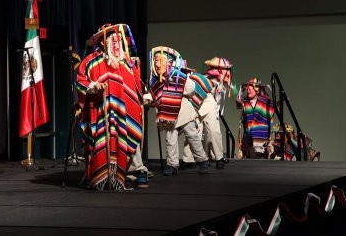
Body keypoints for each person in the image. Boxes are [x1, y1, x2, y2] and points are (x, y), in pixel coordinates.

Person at [75, 23, 146, 190]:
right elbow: (81, 82)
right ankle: (102, 175)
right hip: (100, 112)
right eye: (112, 39)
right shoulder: (91, 62)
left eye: (118, 40)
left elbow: (135, 87)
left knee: (128, 131)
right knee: (101, 138)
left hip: (125, 113)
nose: (116, 43)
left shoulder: (127, 63)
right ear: (102, 42)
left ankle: (136, 171)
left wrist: (142, 98)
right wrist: (93, 86)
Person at [144, 46, 211, 176]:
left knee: (192, 137)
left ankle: (202, 160)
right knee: (170, 138)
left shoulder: (179, 76)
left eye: (160, 61)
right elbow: (152, 95)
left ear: (168, 62)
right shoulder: (154, 80)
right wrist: (147, 99)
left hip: (183, 113)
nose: (157, 64)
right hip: (167, 114)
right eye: (155, 61)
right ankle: (172, 164)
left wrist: (176, 92)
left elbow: (191, 89)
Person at [181, 57, 233, 169]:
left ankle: (219, 158)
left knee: (213, 131)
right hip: (197, 100)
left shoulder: (223, 81)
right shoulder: (205, 77)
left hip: (209, 103)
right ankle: (189, 159)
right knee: (192, 130)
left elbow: (223, 90)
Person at [236, 77, 275, 159]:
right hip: (248, 142)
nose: (248, 90)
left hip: (262, 143)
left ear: (257, 89)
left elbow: (274, 106)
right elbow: (238, 102)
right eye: (247, 88)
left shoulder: (265, 102)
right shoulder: (245, 102)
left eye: (250, 88)